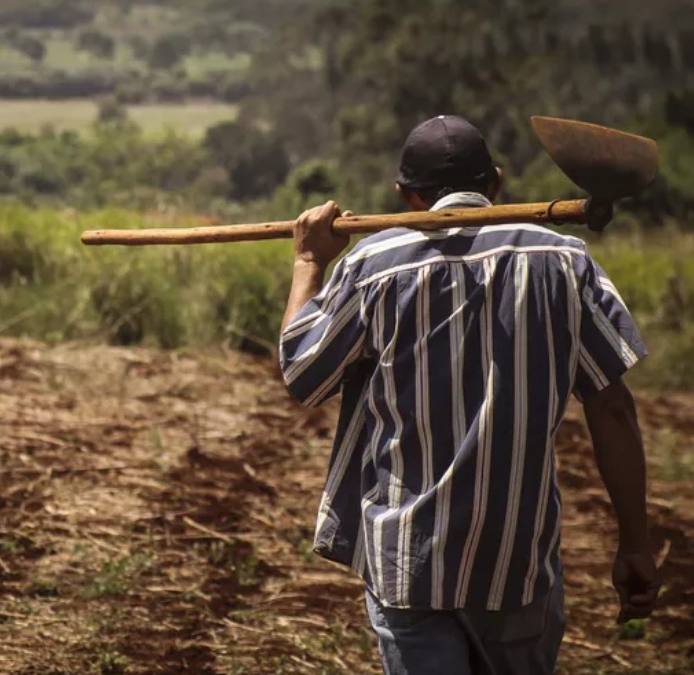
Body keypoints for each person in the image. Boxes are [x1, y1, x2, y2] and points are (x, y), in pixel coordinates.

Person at [278, 115, 662, 675]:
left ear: (405, 195)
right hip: (516, 562)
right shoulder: (565, 260)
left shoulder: (371, 266)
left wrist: (309, 261)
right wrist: (635, 543)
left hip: (408, 562)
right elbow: (612, 408)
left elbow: (302, 374)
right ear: (496, 183)